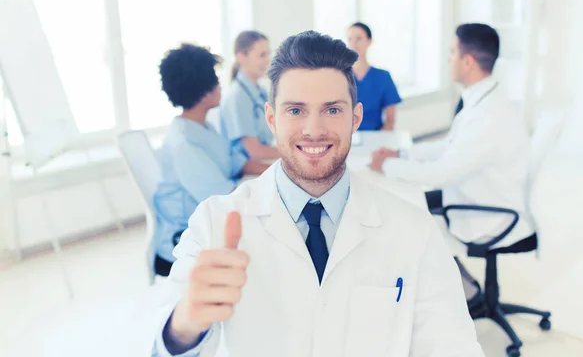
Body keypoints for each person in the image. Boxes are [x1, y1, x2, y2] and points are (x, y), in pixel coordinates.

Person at [152, 31, 484, 357]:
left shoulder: (414, 230)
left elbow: (453, 345)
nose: (313, 129)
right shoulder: (214, 222)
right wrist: (185, 323)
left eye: (332, 110)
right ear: (272, 119)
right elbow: (165, 343)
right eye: (295, 110)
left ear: (355, 118)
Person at [369, 23, 535, 302]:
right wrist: (403, 155)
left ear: (467, 61)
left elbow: (442, 174)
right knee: (411, 201)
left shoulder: (487, 116)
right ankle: (462, 286)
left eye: (451, 53)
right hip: (483, 192)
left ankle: (462, 294)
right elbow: (450, 147)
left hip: (488, 213)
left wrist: (385, 166)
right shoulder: (485, 99)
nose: (448, 59)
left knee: (408, 217)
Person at [153, 44, 269, 277]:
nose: (220, 86)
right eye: (215, 80)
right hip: (183, 246)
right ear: (204, 92)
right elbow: (223, 200)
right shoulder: (184, 143)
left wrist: (282, 172)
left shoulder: (204, 127)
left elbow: (238, 163)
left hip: (213, 222)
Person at [220, 30, 280, 161]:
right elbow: (255, 152)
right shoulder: (237, 97)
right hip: (248, 172)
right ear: (241, 57)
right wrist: (292, 151)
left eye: (268, 54)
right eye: (262, 55)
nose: (268, 60)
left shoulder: (260, 92)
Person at [347, 22, 402, 131]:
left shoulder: (383, 77)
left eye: (358, 38)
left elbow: (391, 120)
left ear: (369, 41)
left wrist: (378, 142)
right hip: (347, 138)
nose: (353, 44)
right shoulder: (341, 77)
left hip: (375, 136)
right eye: (350, 39)